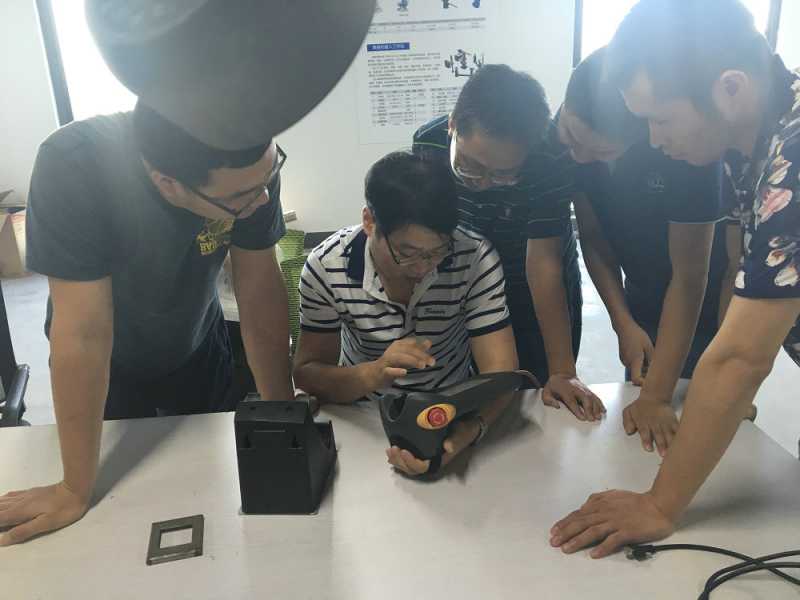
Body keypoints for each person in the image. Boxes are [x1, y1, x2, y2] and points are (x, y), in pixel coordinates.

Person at [551, 0, 800, 558]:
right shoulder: (755, 138)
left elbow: (741, 356)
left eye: (660, 120)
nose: (654, 139)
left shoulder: (795, 156)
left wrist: (660, 504)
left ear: (729, 88)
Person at [0, 101, 292, 546]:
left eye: (268, 178)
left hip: (197, 341)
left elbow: (259, 293)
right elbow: (83, 335)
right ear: (167, 182)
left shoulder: (250, 171)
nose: (264, 199)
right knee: (118, 519)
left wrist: (284, 414)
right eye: (242, 198)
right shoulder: (74, 165)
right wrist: (73, 489)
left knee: (212, 489)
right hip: (109, 363)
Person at [559, 47, 745, 456]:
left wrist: (664, 395)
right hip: (643, 296)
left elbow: (691, 277)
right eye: (571, 137)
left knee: (715, 423)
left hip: (712, 302)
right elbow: (593, 239)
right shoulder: (567, 137)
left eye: (600, 152)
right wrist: (622, 321)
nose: (578, 156)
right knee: (645, 434)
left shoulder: (683, 150)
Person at [293, 151, 519, 475]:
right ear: (369, 222)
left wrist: (467, 432)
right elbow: (307, 373)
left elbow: (502, 375)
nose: (423, 268)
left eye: (438, 252)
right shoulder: (326, 267)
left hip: (452, 409)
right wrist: (374, 373)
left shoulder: (475, 258)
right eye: (407, 253)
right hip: (362, 414)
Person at [413, 64, 605, 422]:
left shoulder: (549, 160)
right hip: (464, 283)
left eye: (503, 174)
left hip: (533, 286)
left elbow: (543, 264)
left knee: (539, 394)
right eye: (469, 166)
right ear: (453, 125)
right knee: (467, 390)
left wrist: (562, 371)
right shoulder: (428, 144)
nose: (482, 183)